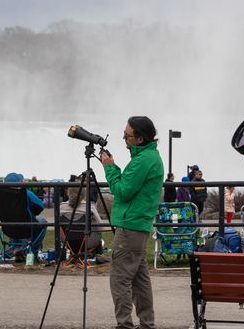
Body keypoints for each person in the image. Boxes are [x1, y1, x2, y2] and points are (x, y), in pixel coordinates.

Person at [100, 116, 164, 329]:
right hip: (139, 227)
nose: (124, 139)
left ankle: (124, 325)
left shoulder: (143, 160)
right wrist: (114, 167)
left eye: (127, 136)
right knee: (139, 280)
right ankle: (147, 324)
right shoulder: (148, 156)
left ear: (140, 138)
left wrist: (109, 167)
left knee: (120, 280)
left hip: (130, 228)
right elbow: (129, 187)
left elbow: (122, 192)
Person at [0, 172, 48, 255]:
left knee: (10, 219)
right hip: (27, 227)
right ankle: (32, 252)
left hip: (8, 228)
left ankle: (16, 248)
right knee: (43, 221)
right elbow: (40, 207)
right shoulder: (27, 194)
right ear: (19, 184)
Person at [59, 186, 106, 264]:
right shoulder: (89, 207)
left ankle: (73, 254)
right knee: (97, 229)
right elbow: (101, 228)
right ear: (84, 194)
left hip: (68, 243)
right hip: (87, 243)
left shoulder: (62, 207)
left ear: (68, 194)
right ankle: (99, 254)